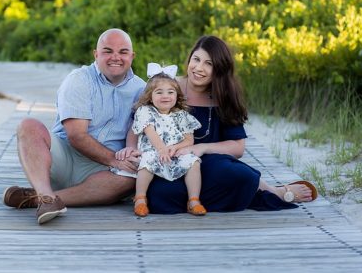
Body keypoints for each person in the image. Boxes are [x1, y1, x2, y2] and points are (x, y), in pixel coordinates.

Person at [116, 35, 319, 214]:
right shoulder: (166, 86)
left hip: (210, 164)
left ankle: (275, 192)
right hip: (166, 161)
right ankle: (242, 196)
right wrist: (132, 149)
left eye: (208, 63)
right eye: (196, 59)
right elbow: (139, 121)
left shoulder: (224, 97)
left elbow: (238, 148)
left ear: (219, 69)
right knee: (161, 199)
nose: (199, 68)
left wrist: (201, 148)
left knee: (237, 175)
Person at [1, 28, 146, 224]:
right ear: (96, 54)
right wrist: (114, 159)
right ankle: (45, 192)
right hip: (65, 158)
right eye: (107, 51)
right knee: (29, 125)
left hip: (102, 173)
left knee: (134, 177)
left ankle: (41, 199)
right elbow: (77, 136)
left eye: (123, 52)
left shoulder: (142, 89)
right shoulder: (79, 79)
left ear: (132, 56)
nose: (115, 57)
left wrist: (129, 156)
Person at [120, 65, 206, 217]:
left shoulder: (181, 115)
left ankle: (193, 200)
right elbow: (150, 132)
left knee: (193, 161)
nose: (165, 96)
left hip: (173, 154)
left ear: (177, 95)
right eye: (159, 92)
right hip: (153, 151)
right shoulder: (146, 111)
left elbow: (189, 139)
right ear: (150, 96)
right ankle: (140, 199)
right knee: (147, 161)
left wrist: (175, 147)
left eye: (170, 92)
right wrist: (162, 149)